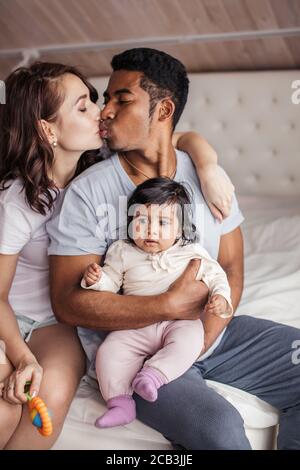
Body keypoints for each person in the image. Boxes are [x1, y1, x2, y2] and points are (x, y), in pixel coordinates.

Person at [47, 47, 300, 450]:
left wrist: (200, 337)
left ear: (163, 111)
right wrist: (168, 305)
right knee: (221, 431)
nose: (105, 111)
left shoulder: (208, 178)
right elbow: (67, 302)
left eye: (121, 99)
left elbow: (231, 267)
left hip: (216, 334)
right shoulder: (88, 192)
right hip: (136, 352)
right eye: (104, 98)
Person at [0, 60, 234, 450]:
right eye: (83, 107)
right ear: (47, 128)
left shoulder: (100, 170)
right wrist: (21, 357)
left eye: (97, 100)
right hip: (6, 317)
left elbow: (179, 137)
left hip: (52, 325)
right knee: (7, 410)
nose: (102, 111)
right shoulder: (15, 199)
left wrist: (208, 165)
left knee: (51, 401)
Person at [81, 178, 233, 428]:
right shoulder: (122, 251)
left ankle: (153, 375)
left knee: (191, 342)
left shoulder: (192, 253)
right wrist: (97, 280)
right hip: (135, 323)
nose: (150, 230)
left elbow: (217, 276)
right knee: (109, 353)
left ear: (181, 228)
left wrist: (220, 298)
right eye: (141, 221)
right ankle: (120, 403)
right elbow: (111, 281)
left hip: (179, 323)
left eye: (162, 223)